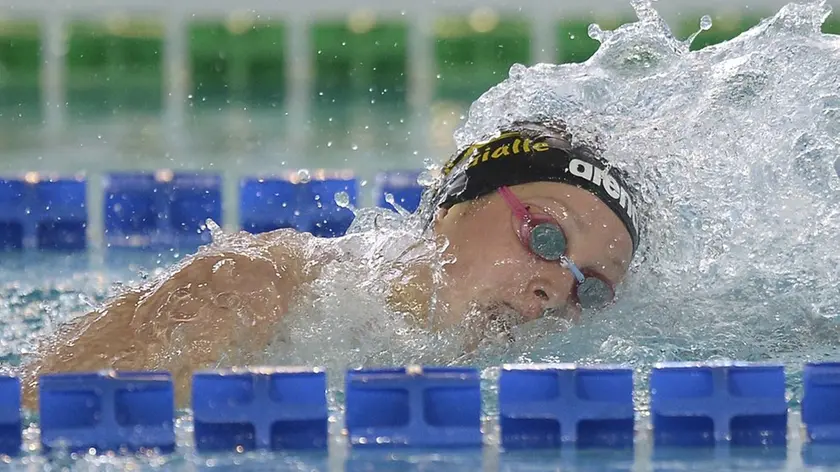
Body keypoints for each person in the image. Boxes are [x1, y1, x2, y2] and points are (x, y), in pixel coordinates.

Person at [20, 120, 642, 408]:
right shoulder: (263, 284)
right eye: (549, 239)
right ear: (452, 207)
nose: (552, 289)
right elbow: (46, 415)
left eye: (589, 291)